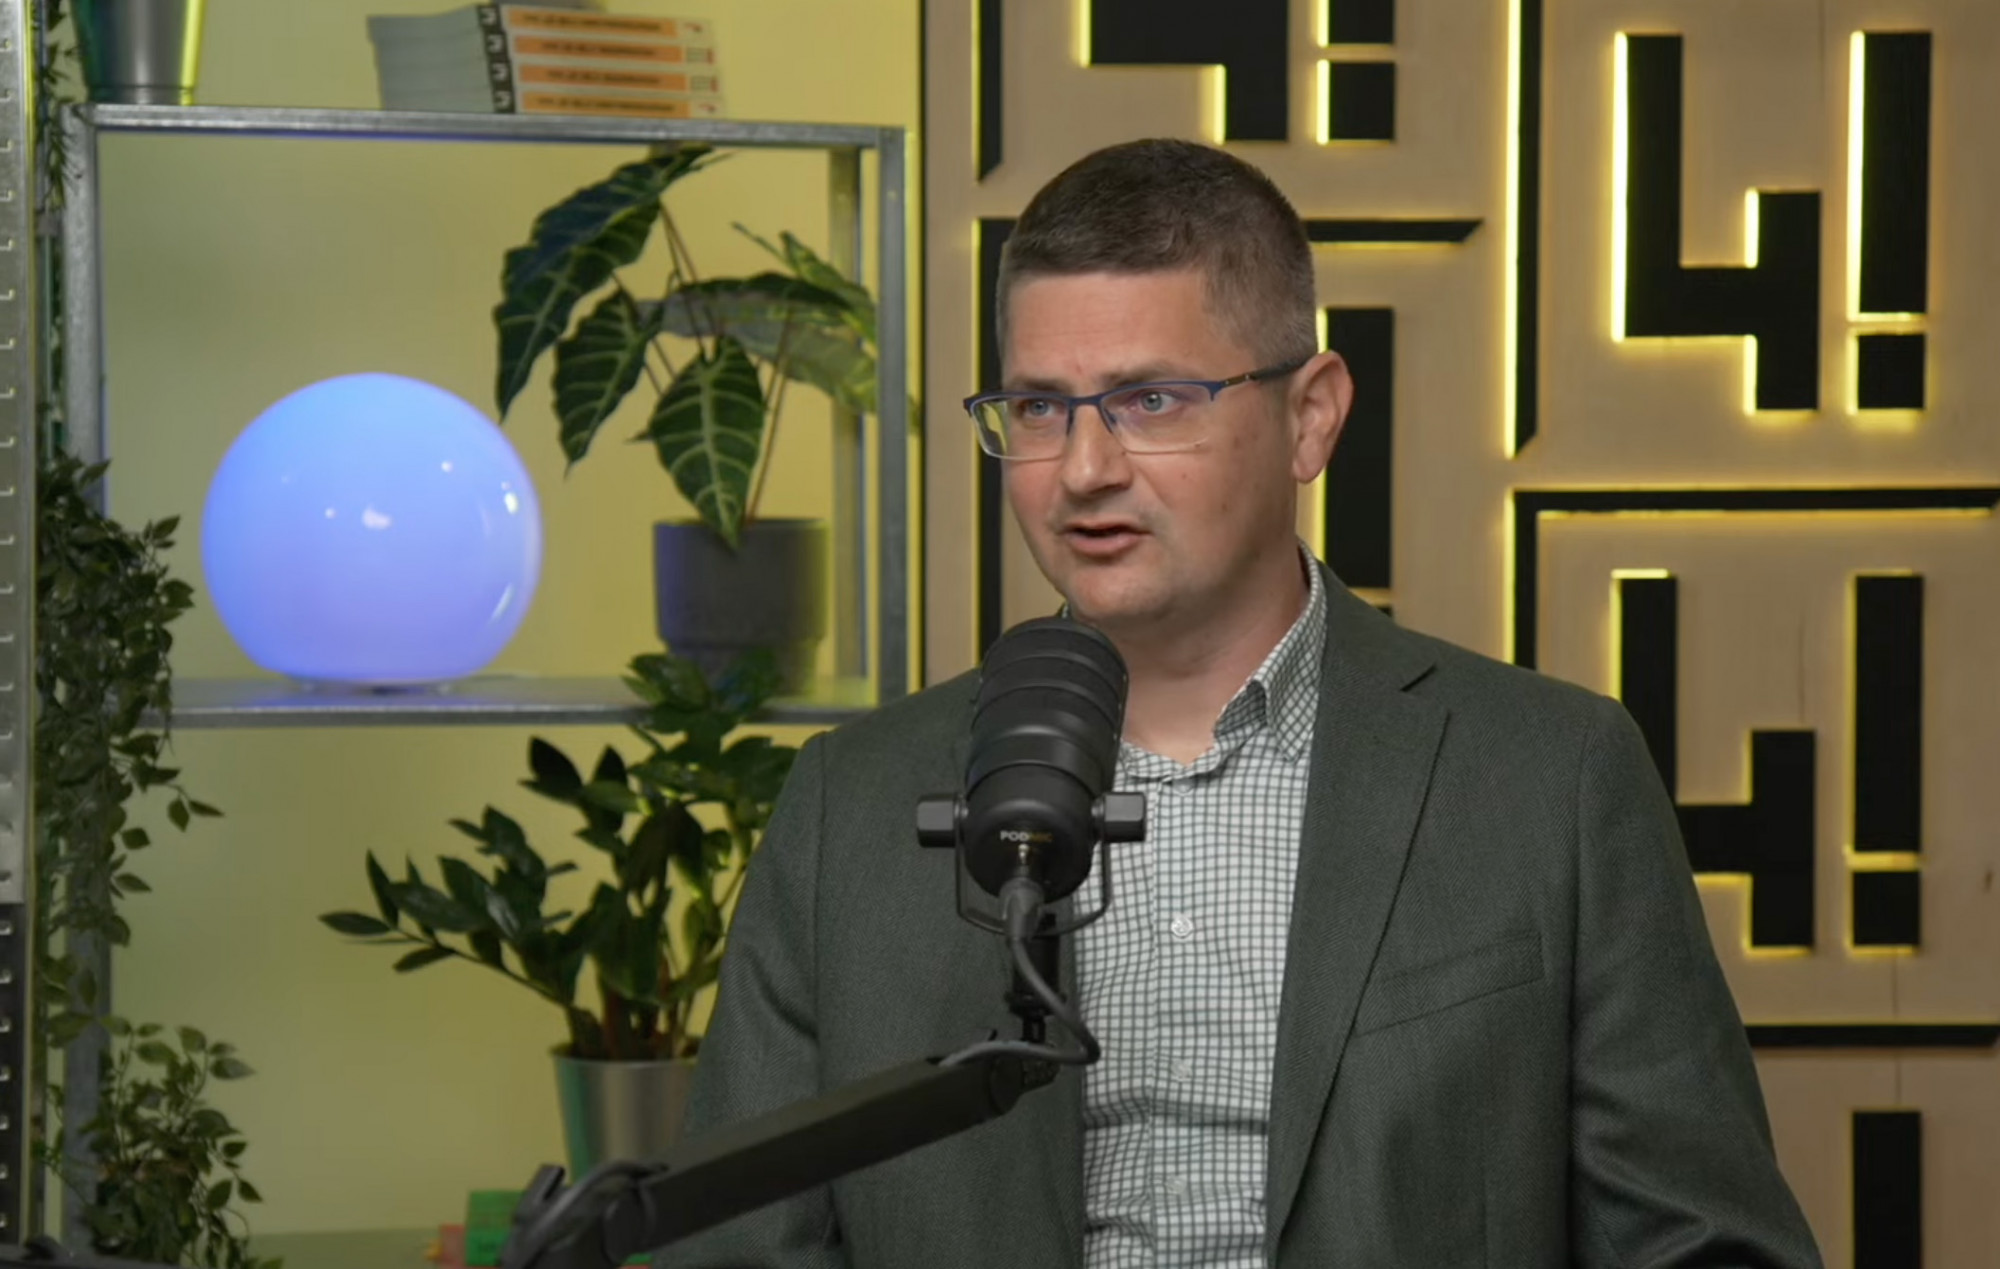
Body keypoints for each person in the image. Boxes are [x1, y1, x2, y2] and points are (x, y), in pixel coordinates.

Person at [658, 138, 1822, 1267]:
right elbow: (739, 1249)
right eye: (1039, 408)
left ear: (1309, 416)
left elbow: (1702, 1246)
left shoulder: (1546, 777)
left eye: (1151, 400)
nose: (1083, 470)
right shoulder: (850, 806)